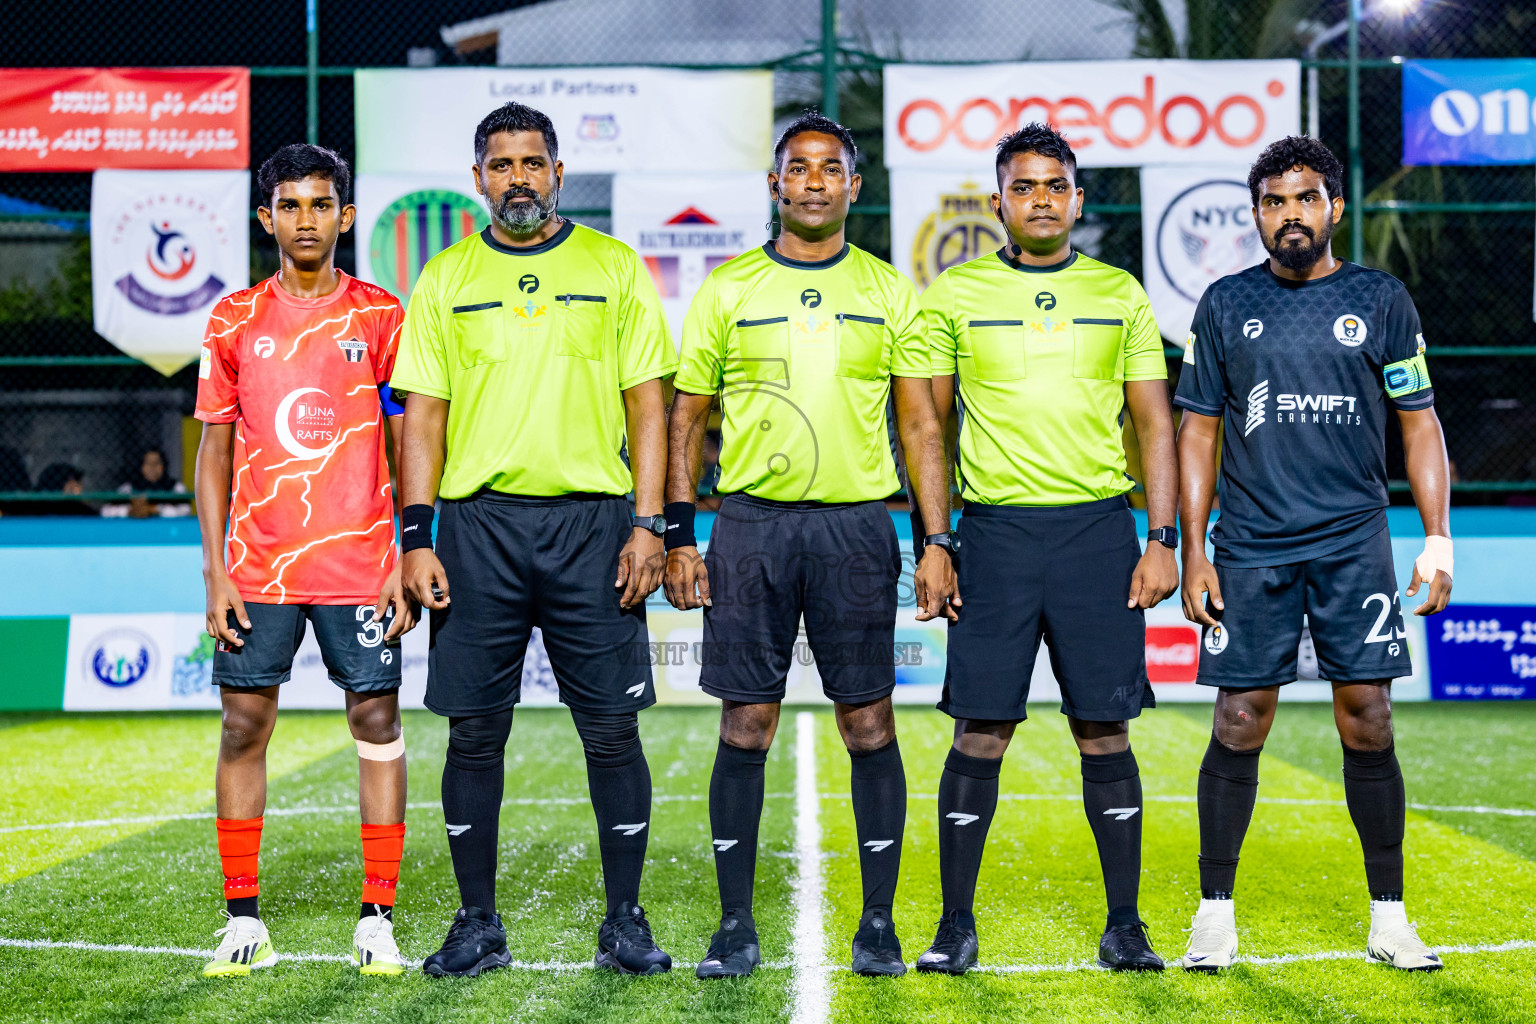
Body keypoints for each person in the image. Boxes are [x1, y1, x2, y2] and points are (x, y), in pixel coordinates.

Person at [664, 113, 957, 979]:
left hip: (857, 525)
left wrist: (935, 540)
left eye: (833, 170)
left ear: (854, 187)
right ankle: (733, 926)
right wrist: (681, 535)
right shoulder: (727, 289)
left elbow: (920, 425)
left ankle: (877, 925)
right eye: (800, 169)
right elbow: (687, 420)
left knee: (868, 720)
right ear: (775, 185)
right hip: (750, 524)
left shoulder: (890, 290)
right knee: (745, 721)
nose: (816, 182)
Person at [392, 101, 677, 979]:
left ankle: (625, 922)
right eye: (501, 164)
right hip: (477, 530)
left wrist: (650, 524)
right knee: (474, 735)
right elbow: (424, 420)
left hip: (594, 526)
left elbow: (649, 406)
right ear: (479, 178)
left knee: (612, 732)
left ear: (558, 173)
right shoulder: (444, 276)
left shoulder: (613, 266)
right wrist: (416, 537)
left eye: (533, 163)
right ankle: (476, 923)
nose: (518, 178)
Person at [1174, 136, 1451, 973]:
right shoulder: (1225, 304)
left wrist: (1437, 539)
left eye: (1303, 198)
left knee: (1368, 720)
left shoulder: (1381, 297)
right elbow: (1198, 431)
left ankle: (1390, 917)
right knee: (1238, 720)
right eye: (1271, 201)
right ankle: (1214, 915)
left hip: (1353, 542)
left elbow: (1420, 422)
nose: (1288, 214)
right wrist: (1194, 550)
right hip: (1251, 545)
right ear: (1256, 214)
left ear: (1332, 206)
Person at [914, 123, 1179, 975]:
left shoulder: (1121, 292)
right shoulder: (952, 294)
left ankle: (1125, 925)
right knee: (979, 732)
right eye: (1023, 187)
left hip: (1099, 534)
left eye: (1055, 185)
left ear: (1076, 199)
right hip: (993, 536)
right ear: (998, 201)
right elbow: (928, 424)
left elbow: (1153, 422)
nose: (1040, 200)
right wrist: (937, 539)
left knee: (1104, 731)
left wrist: (1162, 535)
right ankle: (956, 925)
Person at [193, 143, 414, 978]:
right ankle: (243, 919)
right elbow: (213, 453)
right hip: (258, 567)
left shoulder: (382, 315)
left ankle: (377, 919)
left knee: (376, 724)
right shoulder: (232, 318)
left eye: (322, 204)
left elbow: (405, 446)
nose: (306, 219)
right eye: (290, 206)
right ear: (267, 219)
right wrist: (215, 571)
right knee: (244, 725)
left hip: (362, 561)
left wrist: (406, 551)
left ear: (346, 216)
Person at [103, 447, 191, 518]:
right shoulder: (130, 487)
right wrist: (131, 510)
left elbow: (185, 511)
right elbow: (106, 511)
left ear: (164, 466)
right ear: (142, 467)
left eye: (157, 463)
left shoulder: (175, 486)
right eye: (148, 463)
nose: (152, 467)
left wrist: (153, 509)